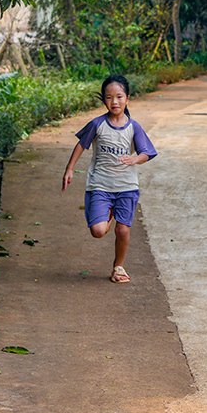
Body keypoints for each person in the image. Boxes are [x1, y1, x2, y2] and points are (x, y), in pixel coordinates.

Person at [61, 74, 157, 283]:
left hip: (127, 187)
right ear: (104, 100)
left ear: (127, 99)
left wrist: (134, 160)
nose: (114, 101)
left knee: (122, 230)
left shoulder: (134, 127)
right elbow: (81, 145)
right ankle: (109, 213)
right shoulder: (97, 124)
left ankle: (118, 267)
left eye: (119, 97)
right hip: (100, 186)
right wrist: (69, 169)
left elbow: (147, 152)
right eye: (109, 97)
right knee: (98, 231)